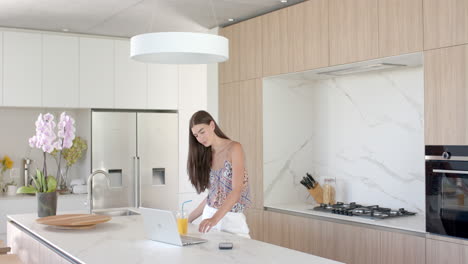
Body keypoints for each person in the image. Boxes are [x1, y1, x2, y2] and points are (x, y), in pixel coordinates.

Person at [187, 110, 251, 238]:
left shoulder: (234, 148)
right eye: (196, 136)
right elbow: (212, 196)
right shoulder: (206, 155)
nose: (200, 138)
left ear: (212, 125)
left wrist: (214, 219)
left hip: (231, 219)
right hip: (208, 218)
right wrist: (187, 219)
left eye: (202, 132)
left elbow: (236, 190)